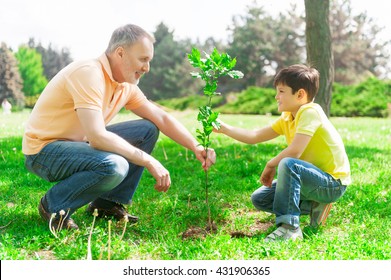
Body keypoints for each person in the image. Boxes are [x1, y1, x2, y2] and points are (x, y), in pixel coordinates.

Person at [22, 24, 216, 231]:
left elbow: (161, 117)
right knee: (114, 165)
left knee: (147, 129)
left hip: (78, 145)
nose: (147, 68)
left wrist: (195, 145)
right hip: (44, 152)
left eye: (149, 61)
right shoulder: (89, 73)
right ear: (120, 53)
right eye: (143, 59)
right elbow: (97, 137)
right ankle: (54, 206)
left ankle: (106, 203)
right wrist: (148, 160)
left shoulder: (126, 86)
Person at [215, 64, 351, 242]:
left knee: (288, 163)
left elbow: (295, 151)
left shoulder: (310, 111)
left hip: (332, 183)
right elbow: (254, 136)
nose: (276, 96)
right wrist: (224, 128)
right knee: (260, 198)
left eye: (281, 91)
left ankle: (290, 228)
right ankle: (314, 205)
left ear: (300, 94)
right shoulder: (287, 117)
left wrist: (271, 164)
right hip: (311, 180)